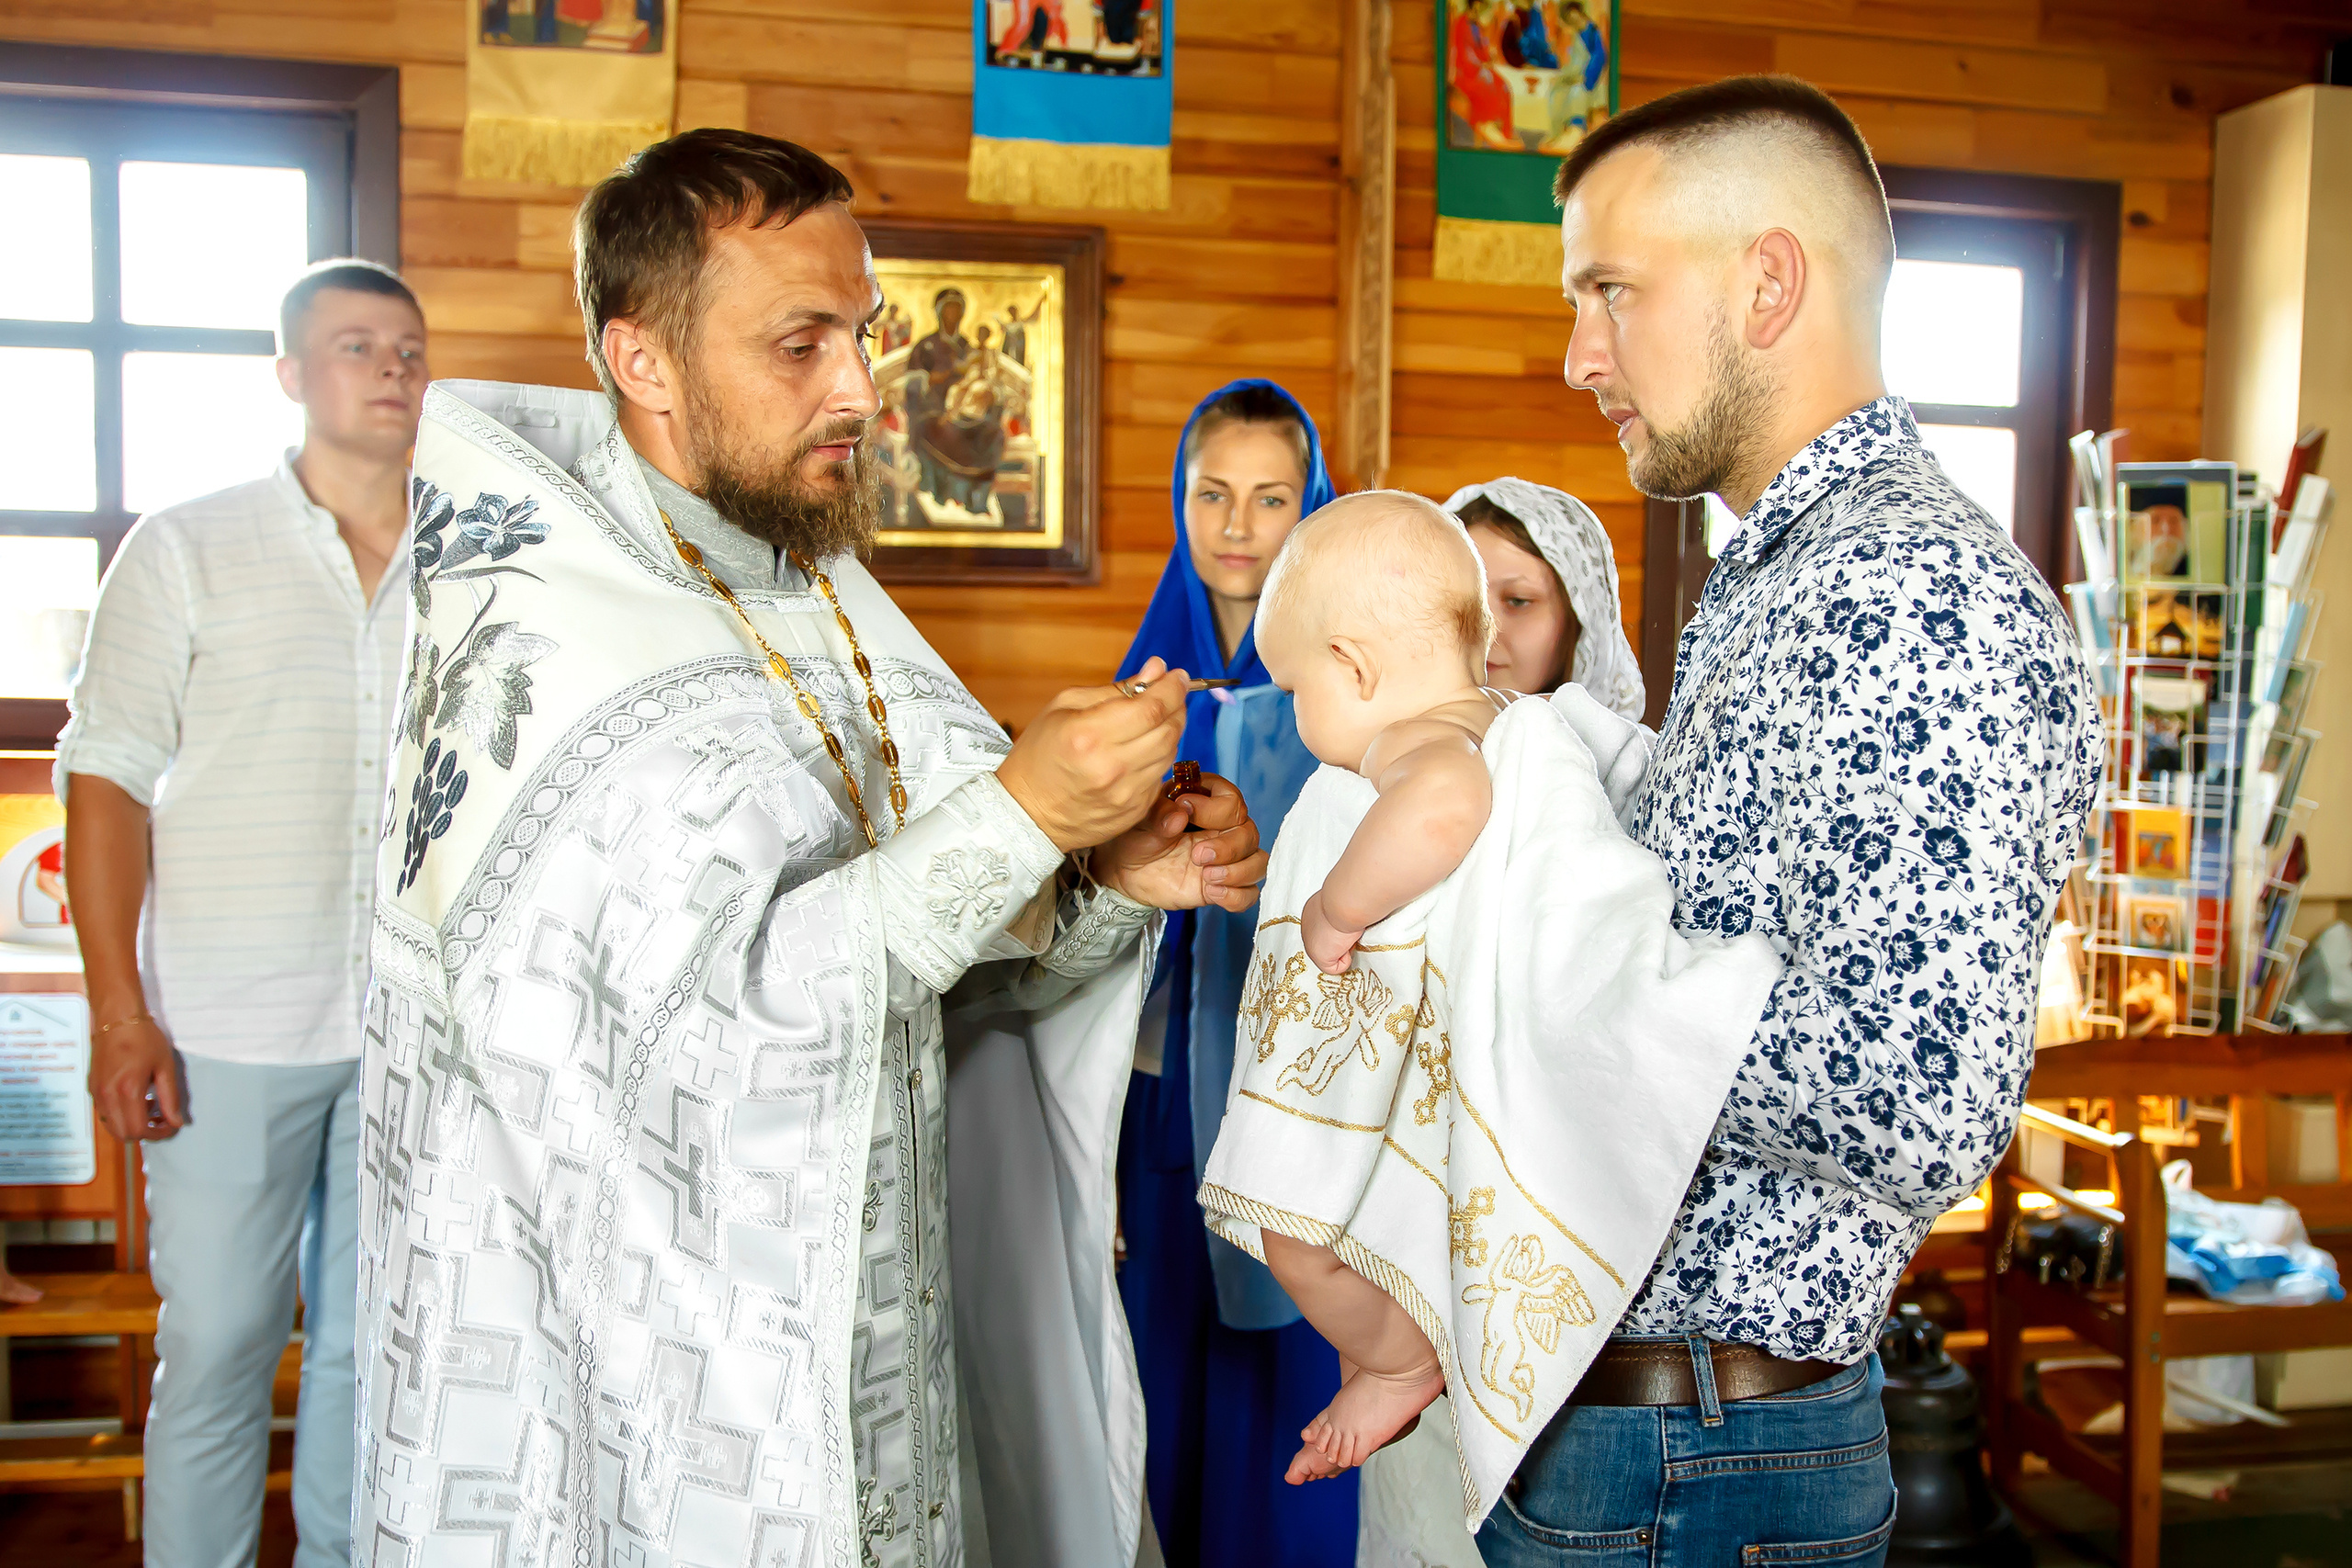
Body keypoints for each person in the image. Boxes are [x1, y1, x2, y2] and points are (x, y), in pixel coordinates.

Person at [354, 129, 1270, 1568]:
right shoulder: (527, 628)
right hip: (646, 1373)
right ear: (642, 359)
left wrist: (1093, 877)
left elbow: (938, 953)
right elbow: (686, 1037)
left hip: (872, 1322)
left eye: (865, 333)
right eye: (801, 343)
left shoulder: (810, 577)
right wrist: (1021, 815)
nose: (860, 388)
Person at [1476, 74, 2101, 1566]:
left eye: (1610, 292)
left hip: (1708, 1457)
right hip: (1653, 1431)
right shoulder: (1782, 567)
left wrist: (1564, 987)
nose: (1580, 357)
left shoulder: (1909, 592)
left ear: (1767, 282)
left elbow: (1919, 1089)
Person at [58, 258, 428, 1568]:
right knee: (217, 1340)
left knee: (371, 1350)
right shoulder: (188, 543)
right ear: (290, 377)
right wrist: (121, 1015)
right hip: (226, 1021)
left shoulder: (474, 563)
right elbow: (102, 771)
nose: (389, 366)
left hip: (416, 1032)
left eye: (405, 346)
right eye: (353, 345)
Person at [1114, 379, 1350, 1567]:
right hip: (1163, 1095)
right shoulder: (1141, 686)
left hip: (1297, 1109)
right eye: (1213, 492)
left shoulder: (1350, 691)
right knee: (1162, 1418)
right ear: (1180, 500)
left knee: (1284, 1422)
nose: (1239, 524)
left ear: (1311, 505)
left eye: (1271, 495)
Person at [1445, 478, 1643, 717]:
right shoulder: (1392, 743)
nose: (1481, 628)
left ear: (1580, 618)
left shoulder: (1634, 753)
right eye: (1459, 598)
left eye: (1517, 600)